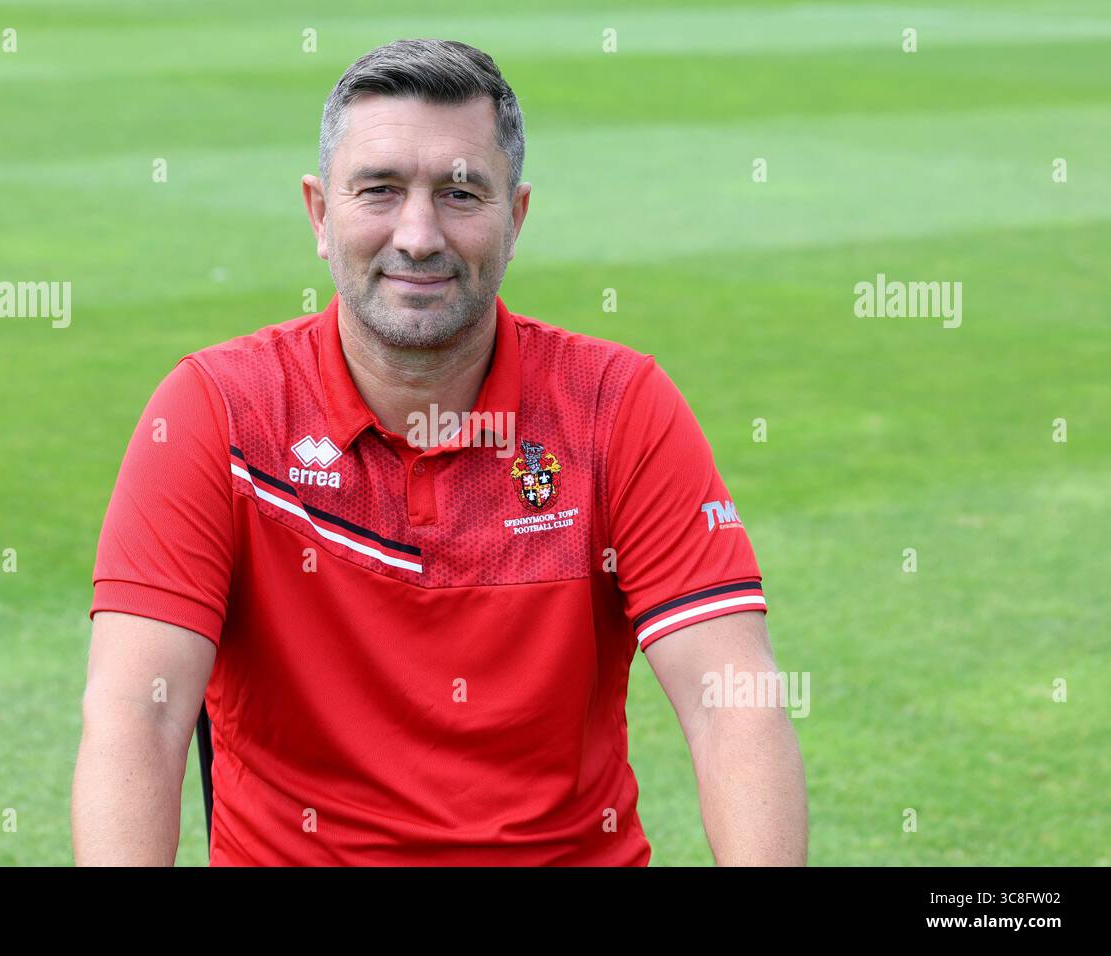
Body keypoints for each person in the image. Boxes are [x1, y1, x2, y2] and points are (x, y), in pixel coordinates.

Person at [71, 38, 806, 866]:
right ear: (320, 213)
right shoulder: (216, 411)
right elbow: (140, 712)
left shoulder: (617, 405)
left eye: (460, 193)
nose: (418, 236)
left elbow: (730, 702)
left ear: (515, 217)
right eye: (379, 190)